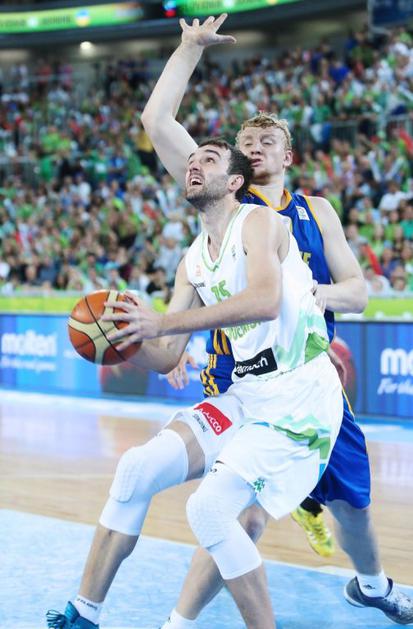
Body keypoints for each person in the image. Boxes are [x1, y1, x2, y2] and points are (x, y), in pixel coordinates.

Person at [140, 14, 413, 628]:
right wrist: (188, 49)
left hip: (312, 384)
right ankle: (179, 621)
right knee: (239, 514)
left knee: (354, 502)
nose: (256, 145)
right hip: (241, 382)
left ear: (289, 154)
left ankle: (372, 585)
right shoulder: (226, 194)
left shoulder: (318, 210)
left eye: (268, 139)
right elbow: (157, 122)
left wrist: (311, 292)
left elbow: (359, 293)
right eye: (247, 140)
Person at [47, 137, 344, 629]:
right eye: (191, 160)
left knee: (208, 510)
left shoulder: (260, 222)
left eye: (208, 159)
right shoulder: (193, 259)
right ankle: (83, 615)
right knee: (136, 469)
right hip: (248, 394)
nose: (194, 164)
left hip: (301, 398)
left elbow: (265, 301)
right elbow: (167, 355)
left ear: (234, 181)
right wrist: (124, 339)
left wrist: (161, 322)